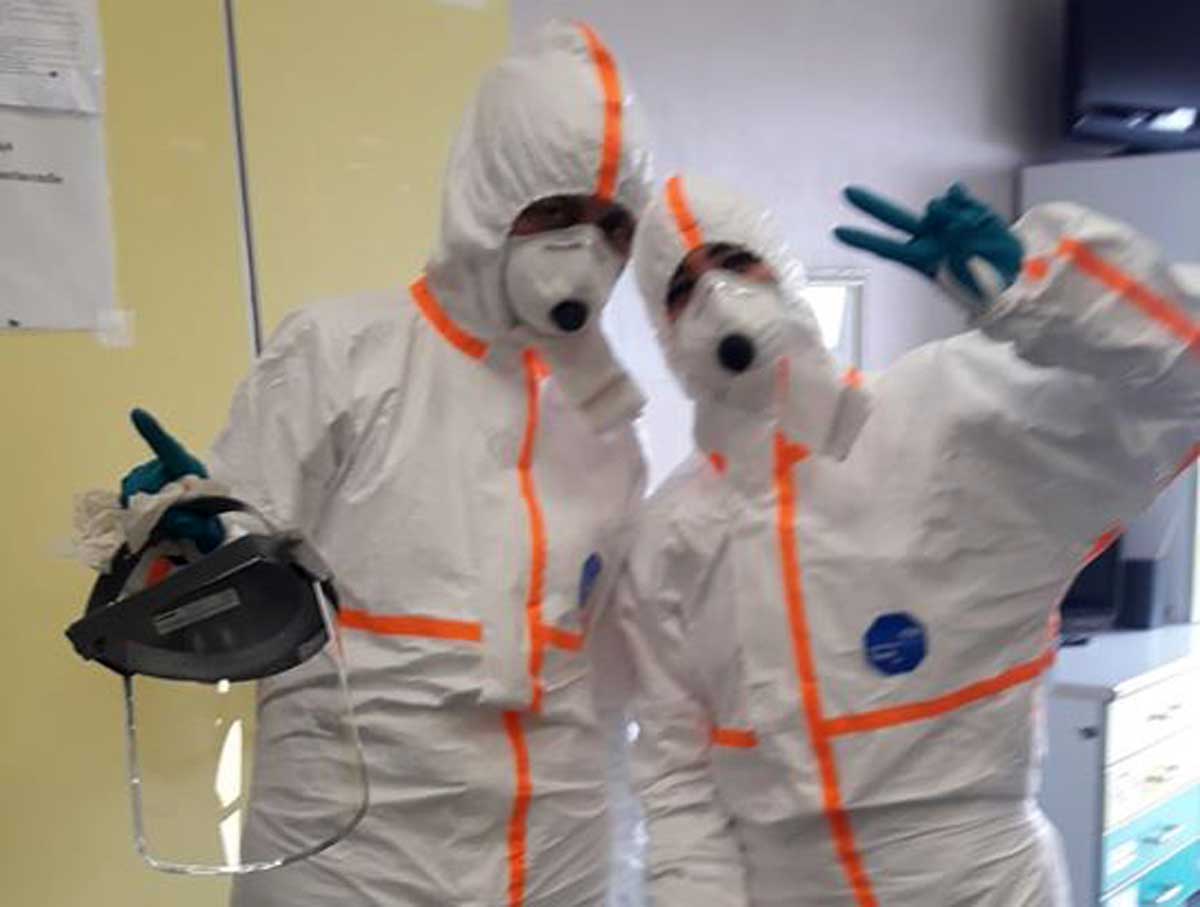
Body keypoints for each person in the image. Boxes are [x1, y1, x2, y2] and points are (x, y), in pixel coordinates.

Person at [117, 21, 653, 907]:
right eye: (556, 212)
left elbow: (623, 654)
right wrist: (190, 546)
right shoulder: (342, 357)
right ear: (490, 193)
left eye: (613, 225)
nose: (585, 249)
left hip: (553, 850)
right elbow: (210, 579)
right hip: (351, 853)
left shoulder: (603, 426)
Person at [618, 173, 1199, 906]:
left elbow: (1184, 387)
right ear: (664, 332)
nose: (717, 297)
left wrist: (1049, 293)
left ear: (783, 272)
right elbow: (676, 772)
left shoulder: (952, 416)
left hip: (974, 881)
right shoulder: (672, 533)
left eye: (737, 261)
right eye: (681, 289)